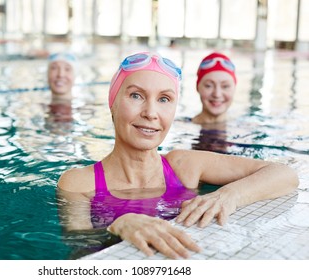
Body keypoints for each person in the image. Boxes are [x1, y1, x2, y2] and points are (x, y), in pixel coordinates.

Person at [57, 52, 298, 259]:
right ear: (113, 102)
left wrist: (228, 196)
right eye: (136, 95)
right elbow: (79, 248)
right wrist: (117, 225)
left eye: (164, 99)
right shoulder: (79, 182)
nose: (151, 113)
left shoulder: (185, 165)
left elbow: (284, 174)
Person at [192, 52, 236, 124]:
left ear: (234, 88)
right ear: (197, 87)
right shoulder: (179, 127)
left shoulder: (248, 127)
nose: (217, 94)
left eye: (225, 86)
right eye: (208, 86)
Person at [46, 52, 77, 122]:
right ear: (47, 75)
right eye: (54, 68)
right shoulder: (36, 109)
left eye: (67, 69)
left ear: (75, 76)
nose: (60, 74)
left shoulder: (88, 109)